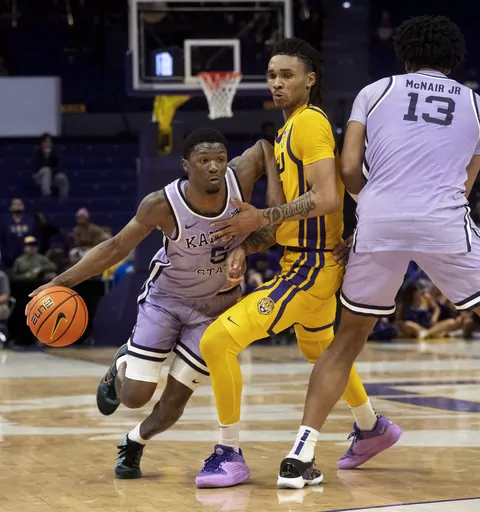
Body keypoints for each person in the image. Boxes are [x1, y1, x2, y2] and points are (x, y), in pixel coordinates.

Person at [272, 15, 480, 488]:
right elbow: (469, 176)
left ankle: (300, 453)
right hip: (445, 220)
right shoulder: (475, 102)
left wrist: (372, 210)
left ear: (405, 54)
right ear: (453, 57)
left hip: (379, 218)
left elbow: (347, 169)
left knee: (346, 341)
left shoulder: (375, 91)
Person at [195, 38, 401, 489]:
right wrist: (244, 246)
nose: (277, 83)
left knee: (216, 343)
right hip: (304, 261)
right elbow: (292, 217)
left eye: (287, 75)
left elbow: (327, 197)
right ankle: (371, 427)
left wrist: (263, 216)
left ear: (310, 80)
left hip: (311, 269)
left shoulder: (309, 124)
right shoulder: (289, 130)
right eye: (271, 75)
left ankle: (229, 452)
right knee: (319, 350)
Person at [27, 128, 283, 479]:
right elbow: (116, 247)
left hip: (213, 310)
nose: (213, 167)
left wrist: (269, 210)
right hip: (166, 301)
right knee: (134, 397)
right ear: (185, 166)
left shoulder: (239, 178)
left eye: (219, 160)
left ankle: (134, 442)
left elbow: (265, 148)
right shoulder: (162, 204)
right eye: (203, 160)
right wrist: (58, 282)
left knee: (173, 405)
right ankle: (120, 366)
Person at [33, 133, 69, 200]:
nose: (49, 144)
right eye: (47, 142)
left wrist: (49, 156)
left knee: (62, 177)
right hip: (39, 176)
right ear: (42, 143)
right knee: (46, 170)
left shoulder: (55, 153)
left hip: (52, 176)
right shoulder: (37, 153)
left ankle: (63, 199)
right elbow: (37, 167)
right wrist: (46, 157)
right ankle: (47, 195)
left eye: (50, 142)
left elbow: (58, 167)